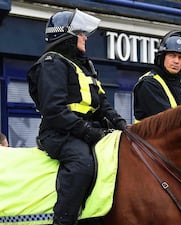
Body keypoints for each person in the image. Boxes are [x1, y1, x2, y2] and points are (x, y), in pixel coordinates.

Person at [27, 9, 127, 225]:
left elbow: (103, 105)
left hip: (85, 130)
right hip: (58, 133)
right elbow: (54, 110)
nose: (85, 37)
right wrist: (89, 132)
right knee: (82, 164)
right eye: (80, 33)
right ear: (66, 35)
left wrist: (122, 126)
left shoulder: (85, 66)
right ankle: (63, 220)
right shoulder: (52, 63)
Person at [133, 30, 181, 122]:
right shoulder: (148, 83)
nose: (176, 61)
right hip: (149, 136)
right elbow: (167, 120)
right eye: (172, 55)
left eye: (180, 57)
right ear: (162, 57)